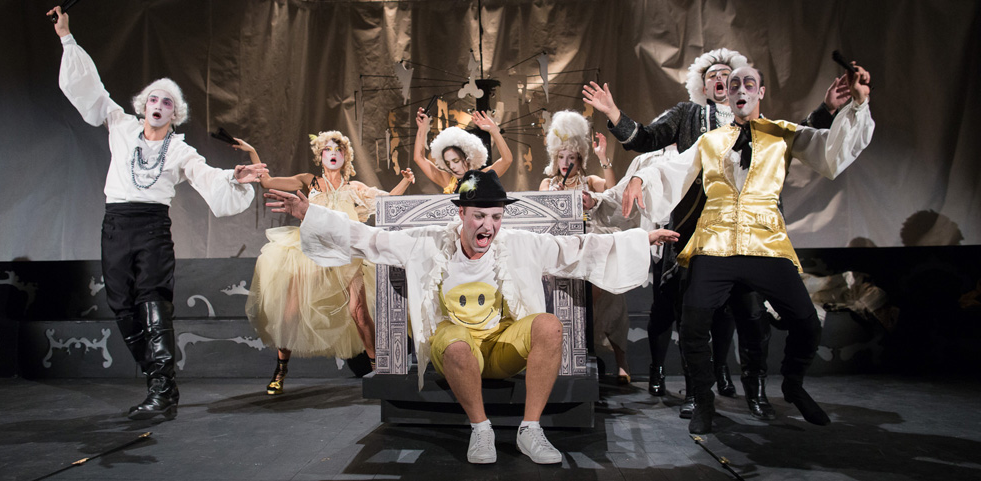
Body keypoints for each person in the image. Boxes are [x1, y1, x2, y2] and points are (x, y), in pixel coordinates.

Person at [265, 170, 677, 464]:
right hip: (456, 347)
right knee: (458, 344)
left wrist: (641, 237)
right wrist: (309, 213)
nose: (488, 226)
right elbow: (369, 239)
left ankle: (530, 429)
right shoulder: (426, 242)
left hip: (501, 345)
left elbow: (578, 249)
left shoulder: (518, 243)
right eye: (479, 215)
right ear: (461, 213)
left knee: (550, 325)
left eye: (495, 216)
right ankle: (481, 430)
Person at [583, 48, 850, 420]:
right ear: (704, 86)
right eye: (717, 77)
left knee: (755, 317)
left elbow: (805, 139)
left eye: (736, 77)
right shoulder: (693, 121)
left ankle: (760, 389)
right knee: (688, 315)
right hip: (702, 232)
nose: (726, 81)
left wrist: (837, 109)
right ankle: (698, 394)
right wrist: (620, 129)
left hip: (760, 238)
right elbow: (656, 147)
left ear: (759, 91)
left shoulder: (774, 131)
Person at [48, 6, 268, 420]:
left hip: (151, 227)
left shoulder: (180, 150)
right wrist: (66, 37)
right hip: (116, 225)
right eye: (153, 98)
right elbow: (90, 89)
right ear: (143, 105)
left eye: (167, 102)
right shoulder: (121, 126)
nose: (159, 105)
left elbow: (206, 175)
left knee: (152, 298)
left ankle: (162, 391)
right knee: (120, 303)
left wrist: (234, 176)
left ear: (174, 114)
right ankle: (159, 379)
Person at [237, 132, 414, 394]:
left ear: (345, 157)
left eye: (338, 150)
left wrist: (406, 181)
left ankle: (379, 370)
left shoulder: (353, 188)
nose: (332, 153)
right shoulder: (309, 181)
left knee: (359, 312)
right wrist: (253, 152)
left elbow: (386, 200)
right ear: (320, 155)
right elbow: (267, 182)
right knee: (290, 313)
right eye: (327, 150)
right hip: (308, 252)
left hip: (345, 254)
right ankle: (280, 370)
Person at [536, 111, 629, 382]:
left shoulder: (589, 182)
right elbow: (541, 215)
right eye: (561, 157)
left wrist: (603, 158)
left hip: (591, 247)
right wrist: (550, 199)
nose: (566, 163)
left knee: (610, 299)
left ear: (580, 159)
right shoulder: (548, 183)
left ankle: (621, 362)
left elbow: (613, 190)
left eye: (572, 158)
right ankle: (570, 352)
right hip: (561, 251)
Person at [412, 108, 513, 193]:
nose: (452, 167)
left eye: (456, 161)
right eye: (448, 163)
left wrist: (494, 131)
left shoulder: (483, 176)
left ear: (467, 158)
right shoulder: (448, 181)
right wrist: (422, 128)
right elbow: (418, 158)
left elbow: (507, 160)